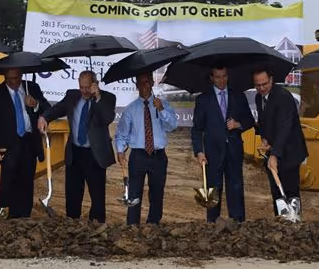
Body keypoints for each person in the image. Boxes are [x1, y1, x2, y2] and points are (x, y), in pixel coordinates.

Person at [37, 70, 116, 223]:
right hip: (75, 153)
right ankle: (71, 225)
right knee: (72, 195)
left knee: (97, 197)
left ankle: (97, 228)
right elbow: (57, 109)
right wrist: (44, 117)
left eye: (87, 87)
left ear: (95, 84)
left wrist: (97, 96)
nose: (84, 91)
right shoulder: (72, 96)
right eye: (81, 87)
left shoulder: (107, 98)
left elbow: (106, 118)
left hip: (95, 155)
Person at [191, 65, 256, 222]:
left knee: (235, 188)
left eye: (224, 76)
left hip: (234, 151)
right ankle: (213, 225)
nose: (222, 80)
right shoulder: (203, 100)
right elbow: (196, 130)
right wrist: (199, 152)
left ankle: (238, 224)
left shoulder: (238, 96)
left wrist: (238, 124)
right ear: (211, 78)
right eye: (218, 77)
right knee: (213, 189)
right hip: (212, 154)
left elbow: (250, 120)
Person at [0, 68, 51, 218]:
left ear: (21, 76)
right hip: (5, 146)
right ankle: (6, 218)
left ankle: (23, 219)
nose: (13, 82)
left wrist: (35, 105)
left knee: (26, 183)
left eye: (15, 78)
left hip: (28, 143)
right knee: (7, 183)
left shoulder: (32, 88)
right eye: (9, 79)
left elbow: (48, 109)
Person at [115, 71, 178, 225]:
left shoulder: (162, 104)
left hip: (158, 156)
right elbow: (122, 134)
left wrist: (161, 110)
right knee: (134, 193)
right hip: (138, 156)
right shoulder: (130, 110)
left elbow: (173, 126)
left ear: (152, 83)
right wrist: (120, 150)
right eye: (141, 83)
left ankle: (153, 225)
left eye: (147, 82)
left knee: (157, 193)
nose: (144, 86)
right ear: (136, 86)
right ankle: (132, 226)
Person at [254, 67, 308, 216]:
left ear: (271, 79)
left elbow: (285, 128)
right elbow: (265, 123)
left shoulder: (283, 97)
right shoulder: (259, 98)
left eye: (264, 84)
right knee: (277, 193)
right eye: (258, 85)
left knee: (290, 192)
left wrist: (274, 155)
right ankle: (281, 223)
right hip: (274, 150)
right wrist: (265, 138)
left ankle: (294, 224)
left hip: (290, 152)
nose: (262, 88)